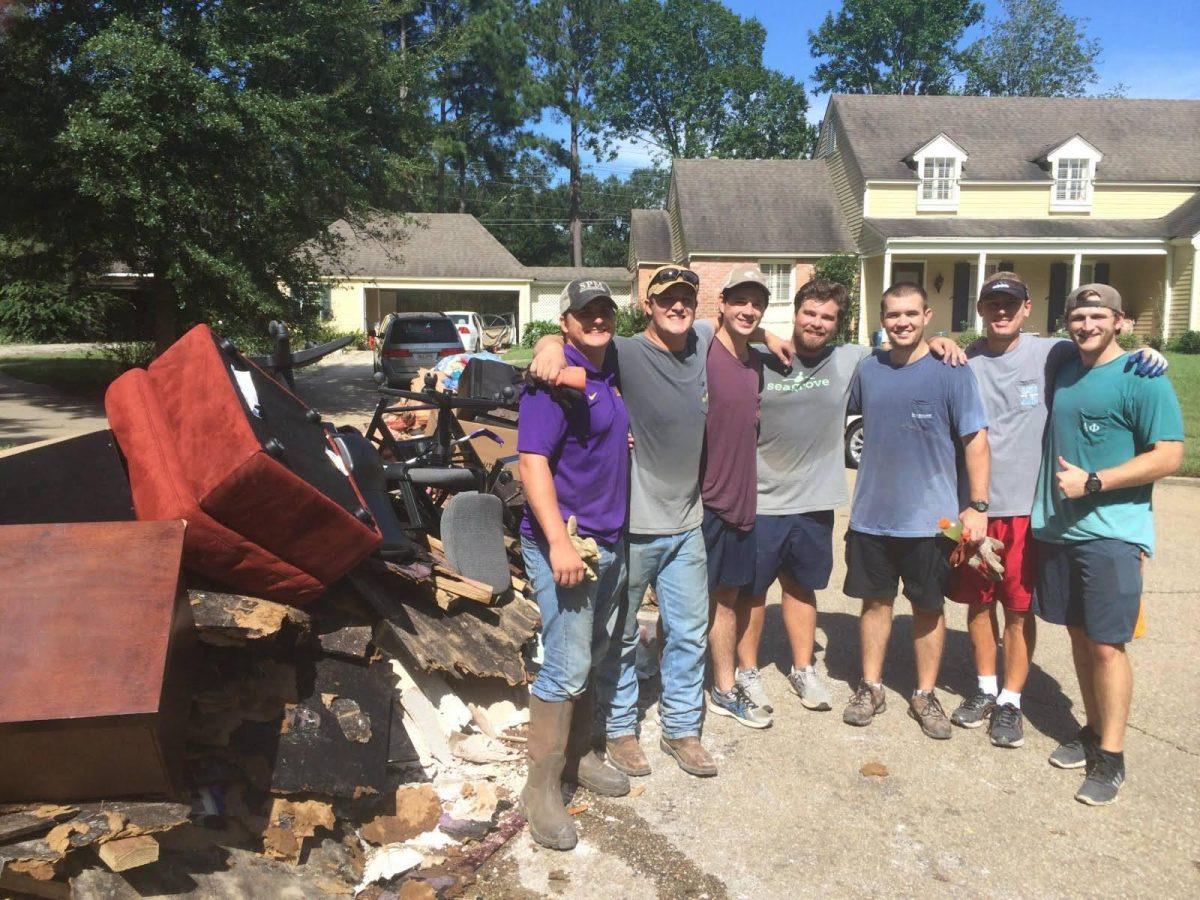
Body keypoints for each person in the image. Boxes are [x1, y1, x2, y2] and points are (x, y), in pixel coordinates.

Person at [529, 265, 790, 778]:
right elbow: (573, 338)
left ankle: (681, 730)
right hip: (634, 525)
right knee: (622, 634)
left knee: (690, 633)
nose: (677, 307)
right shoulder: (623, 351)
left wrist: (768, 331)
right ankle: (621, 729)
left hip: (687, 521)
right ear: (646, 305)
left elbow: (738, 320)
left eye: (685, 299)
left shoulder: (698, 341)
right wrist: (547, 344)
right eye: (666, 299)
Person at [949, 273, 1168, 750]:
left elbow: (1105, 354)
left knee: (1019, 610)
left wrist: (1148, 356)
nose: (1001, 312)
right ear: (981, 310)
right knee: (979, 604)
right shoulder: (962, 360)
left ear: (1027, 308)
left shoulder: (1052, 352)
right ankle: (985, 688)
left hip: (1030, 509)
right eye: (992, 304)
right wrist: (939, 340)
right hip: (975, 506)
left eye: (1010, 304)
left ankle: (1011, 699)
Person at [739, 280, 968, 716]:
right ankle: (747, 671)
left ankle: (803, 668)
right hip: (761, 498)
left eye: (827, 317)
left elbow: (909, 351)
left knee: (802, 588)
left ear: (838, 324)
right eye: (810, 313)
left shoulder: (853, 359)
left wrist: (942, 340)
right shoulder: (760, 358)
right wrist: (761, 334)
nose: (817, 322)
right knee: (751, 593)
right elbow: (711, 330)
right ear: (796, 313)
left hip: (815, 499)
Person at [1032, 283, 1183, 806]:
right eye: (1078, 317)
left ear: (1120, 321)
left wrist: (1095, 481)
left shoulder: (1144, 378)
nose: (1087, 325)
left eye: (1098, 316)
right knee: (1078, 634)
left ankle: (1112, 756)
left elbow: (1169, 457)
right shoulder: (1064, 366)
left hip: (1113, 531)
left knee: (1106, 643)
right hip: (1061, 529)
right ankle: (1092, 730)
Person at [842, 282, 990, 740]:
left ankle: (925, 694)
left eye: (910, 314)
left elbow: (975, 441)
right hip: (872, 515)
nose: (901, 322)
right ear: (882, 320)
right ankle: (870, 687)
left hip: (933, 520)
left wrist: (978, 505)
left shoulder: (952, 370)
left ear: (927, 315)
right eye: (892, 315)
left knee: (928, 607)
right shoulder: (869, 371)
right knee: (875, 602)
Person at [517, 279, 632, 850]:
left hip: (610, 539)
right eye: (584, 313)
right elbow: (531, 461)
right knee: (564, 664)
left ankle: (580, 757)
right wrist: (559, 543)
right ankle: (539, 791)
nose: (597, 320)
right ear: (565, 322)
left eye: (604, 310)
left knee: (596, 651)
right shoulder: (549, 381)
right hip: (570, 545)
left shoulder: (607, 370)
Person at [702, 266, 769, 728]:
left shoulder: (758, 363)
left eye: (756, 302)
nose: (748, 309)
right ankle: (692, 684)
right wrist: (548, 344)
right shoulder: (699, 348)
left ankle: (723, 688)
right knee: (686, 600)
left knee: (727, 598)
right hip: (701, 501)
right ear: (721, 303)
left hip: (743, 503)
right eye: (739, 300)